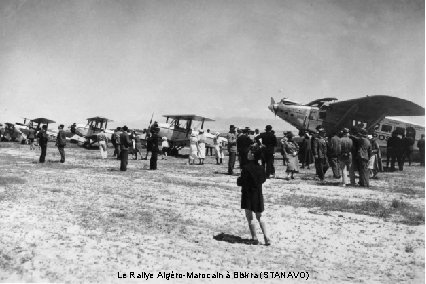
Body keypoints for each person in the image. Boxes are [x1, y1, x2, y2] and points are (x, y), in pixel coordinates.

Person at [237, 145, 271, 246]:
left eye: (249, 152)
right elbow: (263, 180)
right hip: (258, 194)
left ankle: (254, 237)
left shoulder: (246, 168)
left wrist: (239, 180)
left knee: (249, 216)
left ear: (252, 155)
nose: (247, 154)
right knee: (260, 216)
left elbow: (241, 182)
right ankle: (266, 236)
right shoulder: (261, 168)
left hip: (247, 194)